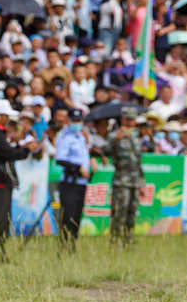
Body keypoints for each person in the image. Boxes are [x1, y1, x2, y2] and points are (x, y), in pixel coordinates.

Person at [0, 99, 40, 260]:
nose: (8, 119)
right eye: (6, 115)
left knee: (2, 220)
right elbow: (9, 154)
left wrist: (18, 145)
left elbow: (6, 151)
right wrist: (26, 149)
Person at [101, 106, 143, 247]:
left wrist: (142, 182)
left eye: (132, 120)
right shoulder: (114, 136)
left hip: (135, 181)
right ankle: (115, 242)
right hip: (121, 181)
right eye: (128, 119)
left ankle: (128, 240)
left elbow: (138, 162)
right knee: (119, 212)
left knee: (132, 213)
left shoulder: (136, 138)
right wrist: (115, 139)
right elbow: (104, 151)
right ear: (122, 119)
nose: (130, 122)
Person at [54, 109, 92, 253]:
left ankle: (72, 247)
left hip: (81, 183)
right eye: (74, 121)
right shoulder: (65, 137)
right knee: (68, 216)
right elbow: (60, 159)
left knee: (76, 216)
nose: (76, 123)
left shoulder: (81, 137)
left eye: (79, 121)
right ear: (68, 121)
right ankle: (63, 247)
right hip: (70, 182)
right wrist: (77, 168)